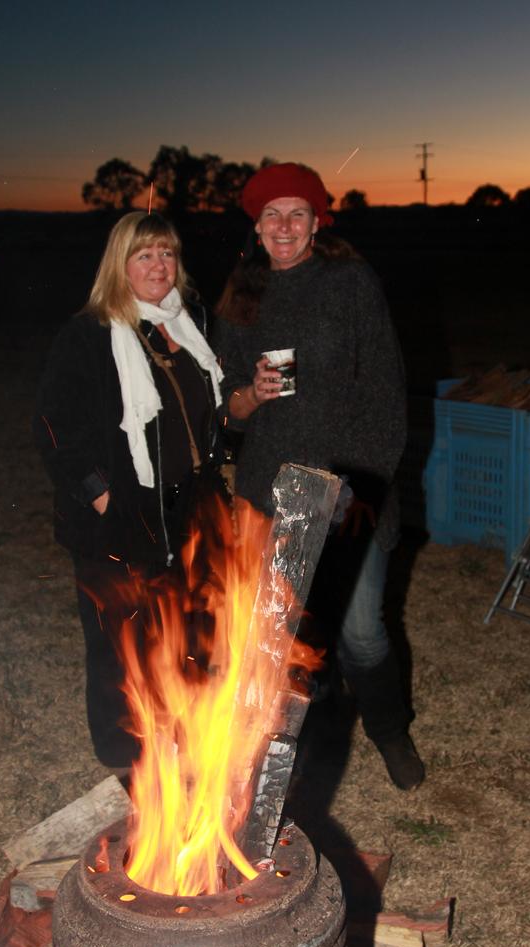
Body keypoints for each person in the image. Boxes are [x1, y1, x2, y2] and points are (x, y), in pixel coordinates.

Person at [213, 162, 424, 791]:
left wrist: (357, 486)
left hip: (348, 490)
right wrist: (249, 394)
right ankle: (276, 761)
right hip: (267, 491)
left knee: (361, 633)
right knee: (274, 638)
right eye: (271, 214)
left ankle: (390, 730)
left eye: (296, 213)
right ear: (256, 224)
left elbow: (386, 394)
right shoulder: (239, 300)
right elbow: (224, 407)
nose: (284, 225)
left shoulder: (350, 283)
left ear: (316, 222)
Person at [34, 211, 225, 774]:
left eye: (166, 254)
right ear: (119, 266)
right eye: (144, 255)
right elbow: (52, 427)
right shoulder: (89, 334)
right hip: (116, 514)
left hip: (184, 504)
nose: (158, 266)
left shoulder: (186, 326)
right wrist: (101, 497)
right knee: (118, 639)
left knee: (184, 625)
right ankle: (122, 756)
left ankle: (183, 731)